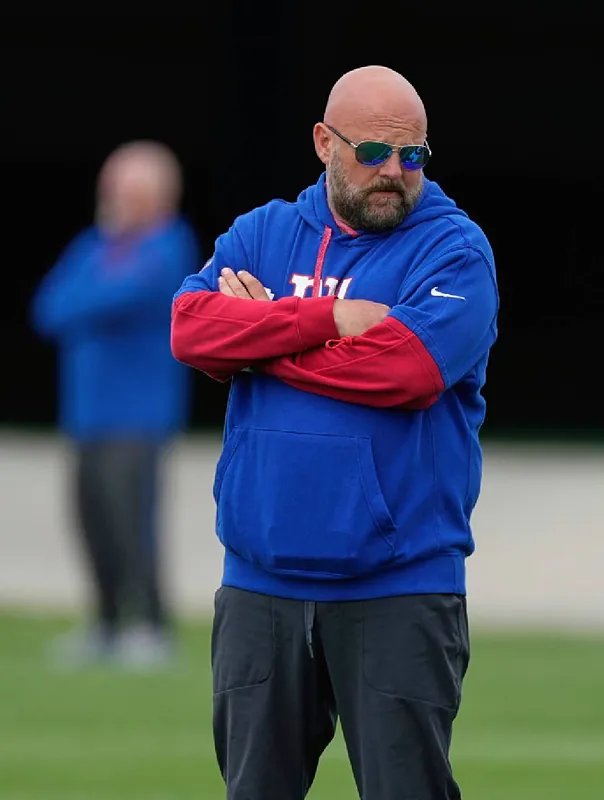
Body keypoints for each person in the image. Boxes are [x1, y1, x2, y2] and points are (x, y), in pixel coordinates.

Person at [170, 65, 498, 799]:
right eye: (373, 152)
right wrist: (325, 320)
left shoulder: (455, 250)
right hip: (260, 585)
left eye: (413, 155)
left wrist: (259, 338)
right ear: (324, 142)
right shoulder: (261, 233)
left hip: (399, 585)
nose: (394, 172)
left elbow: (406, 369)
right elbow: (189, 329)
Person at [31, 140, 198, 669]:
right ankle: (105, 623)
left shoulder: (169, 245)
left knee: (133, 521)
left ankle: (150, 625)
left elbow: (116, 297)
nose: (115, 199)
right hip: (87, 414)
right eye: (113, 188)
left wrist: (90, 297)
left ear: (159, 195)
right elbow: (49, 308)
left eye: (128, 189)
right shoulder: (94, 245)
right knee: (92, 518)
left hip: (139, 415)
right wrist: (93, 294)